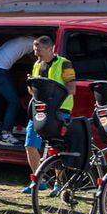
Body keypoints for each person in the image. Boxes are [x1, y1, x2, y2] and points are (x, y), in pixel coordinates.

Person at [24, 34, 74, 185]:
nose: (35, 54)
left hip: (60, 110)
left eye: (38, 50)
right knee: (30, 144)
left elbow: (72, 88)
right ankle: (39, 180)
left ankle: (59, 183)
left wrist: (54, 95)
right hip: (39, 110)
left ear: (50, 48)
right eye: (34, 50)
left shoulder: (64, 64)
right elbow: (33, 92)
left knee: (57, 147)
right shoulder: (37, 65)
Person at [0, 33, 36, 144]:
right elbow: (36, 57)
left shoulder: (25, 39)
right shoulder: (35, 44)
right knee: (14, 102)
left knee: (2, 96)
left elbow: (30, 55)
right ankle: (6, 135)